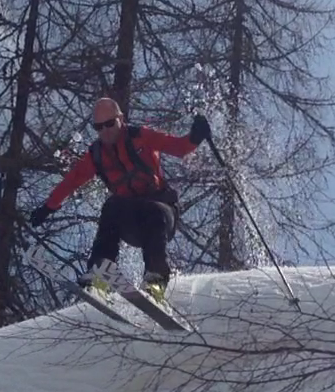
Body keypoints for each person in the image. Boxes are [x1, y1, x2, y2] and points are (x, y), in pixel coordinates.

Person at [29, 96, 211, 302]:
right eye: (99, 127)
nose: (105, 131)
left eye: (109, 123)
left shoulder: (140, 136)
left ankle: (156, 280)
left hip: (161, 216)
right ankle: (100, 272)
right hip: (132, 222)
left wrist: (196, 136)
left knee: (153, 210)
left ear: (121, 119)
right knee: (112, 205)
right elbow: (72, 180)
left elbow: (178, 147)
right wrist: (48, 207)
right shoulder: (97, 155)